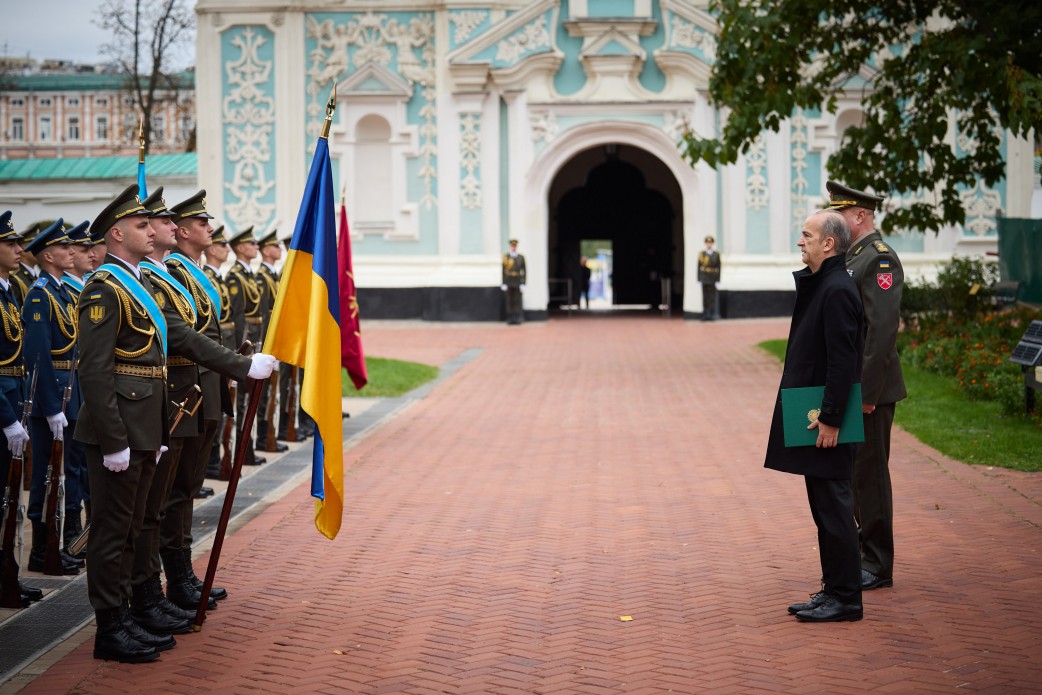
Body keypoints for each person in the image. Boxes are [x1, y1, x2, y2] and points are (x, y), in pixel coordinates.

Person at [74, 185, 274, 663]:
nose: (154, 229)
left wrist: (241, 366)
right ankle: (112, 625)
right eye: (143, 225)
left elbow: (178, 335)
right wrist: (114, 439)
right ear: (117, 234)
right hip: (120, 427)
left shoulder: (135, 283)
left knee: (134, 524)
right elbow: (96, 370)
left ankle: (130, 612)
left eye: (153, 223)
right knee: (112, 531)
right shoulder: (104, 287)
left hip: (148, 422)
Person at [764, 210, 864, 623]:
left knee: (835, 508)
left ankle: (846, 599)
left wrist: (830, 417)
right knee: (823, 507)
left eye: (807, 235)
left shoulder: (837, 289)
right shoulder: (825, 284)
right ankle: (833, 590)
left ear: (829, 244)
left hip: (825, 421)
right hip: (816, 415)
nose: (800, 241)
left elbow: (844, 363)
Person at [825, 180, 907, 592]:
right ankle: (863, 554)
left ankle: (877, 563)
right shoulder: (852, 257)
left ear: (860, 216)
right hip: (856, 389)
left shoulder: (878, 260)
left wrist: (868, 396)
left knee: (870, 478)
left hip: (871, 392)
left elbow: (881, 333)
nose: (833, 221)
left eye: (839, 215)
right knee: (857, 476)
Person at [21, 219, 83, 576]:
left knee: (69, 469)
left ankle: (66, 542)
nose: (71, 251)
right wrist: (48, 407)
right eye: (64, 247)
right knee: (46, 471)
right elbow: (39, 356)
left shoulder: (61, 292)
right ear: (48, 255)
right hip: (52, 398)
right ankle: (42, 551)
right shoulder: (39, 295)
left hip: (70, 393)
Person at [0, 211, 41, 606]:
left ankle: (7, 572)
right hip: (2, 406)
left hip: (14, 399)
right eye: (10, 243)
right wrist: (8, 418)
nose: (19, 249)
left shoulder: (9, 291)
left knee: (10, 497)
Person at [225, 227, 267, 465]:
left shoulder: (248, 275)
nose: (256, 246)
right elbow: (239, 316)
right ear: (240, 247)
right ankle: (241, 451)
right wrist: (245, 351)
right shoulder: (235, 277)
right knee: (240, 402)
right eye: (251, 243)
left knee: (252, 399)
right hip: (245, 344)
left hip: (255, 341)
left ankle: (248, 449)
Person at [255, 231, 289, 452]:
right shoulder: (262, 277)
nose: (279, 249)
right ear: (266, 250)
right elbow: (265, 314)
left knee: (274, 391)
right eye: (275, 246)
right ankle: (262, 436)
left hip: (275, 338)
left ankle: (269, 434)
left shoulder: (272, 275)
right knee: (265, 392)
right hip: (268, 339)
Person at [501, 239, 526, 325]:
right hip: (509, 280)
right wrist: (503, 282)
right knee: (509, 300)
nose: (513, 247)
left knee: (517, 300)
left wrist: (523, 283)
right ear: (510, 247)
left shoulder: (521, 257)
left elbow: (524, 271)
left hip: (517, 280)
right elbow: (503, 271)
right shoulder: (506, 257)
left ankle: (517, 317)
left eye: (514, 246)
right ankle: (510, 317)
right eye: (512, 246)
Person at [697, 235, 721, 321]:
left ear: (712, 244)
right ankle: (705, 314)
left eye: (710, 243)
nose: (709, 244)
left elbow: (718, 267)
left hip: (712, 278)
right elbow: (699, 267)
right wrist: (699, 279)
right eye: (707, 243)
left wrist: (718, 280)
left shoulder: (716, 255)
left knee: (711, 297)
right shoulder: (702, 254)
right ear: (705, 244)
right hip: (704, 278)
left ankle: (711, 314)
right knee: (705, 297)